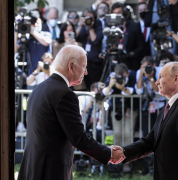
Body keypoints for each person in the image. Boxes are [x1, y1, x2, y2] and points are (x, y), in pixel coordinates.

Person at [17, 45, 125, 180]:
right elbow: (79, 138)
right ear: (72, 66)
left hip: (32, 168)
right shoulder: (64, 94)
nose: (86, 72)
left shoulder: (39, 89)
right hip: (51, 170)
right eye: (84, 66)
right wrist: (108, 153)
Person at [114, 62, 178, 180]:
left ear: (176, 78)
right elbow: (151, 141)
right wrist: (123, 152)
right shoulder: (168, 107)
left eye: (161, 77)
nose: (157, 82)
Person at [102, 63, 137, 172]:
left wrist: (122, 88)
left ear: (127, 73)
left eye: (123, 75)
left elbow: (134, 91)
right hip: (116, 109)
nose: (121, 77)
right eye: (119, 75)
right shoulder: (112, 77)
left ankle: (127, 162)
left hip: (130, 108)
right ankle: (116, 162)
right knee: (117, 133)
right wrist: (111, 85)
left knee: (128, 134)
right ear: (116, 74)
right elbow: (104, 94)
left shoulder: (132, 76)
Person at [14, 10, 52, 76]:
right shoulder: (27, 38)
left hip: (46, 73)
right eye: (33, 23)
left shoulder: (45, 33)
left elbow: (46, 42)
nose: (35, 25)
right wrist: (16, 32)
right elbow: (15, 50)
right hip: (32, 75)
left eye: (37, 22)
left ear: (41, 22)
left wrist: (31, 30)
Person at [76, 7, 104, 90]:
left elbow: (95, 40)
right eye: (87, 17)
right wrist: (81, 25)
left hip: (94, 64)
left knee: (94, 86)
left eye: (91, 18)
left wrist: (90, 27)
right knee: (82, 86)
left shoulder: (98, 28)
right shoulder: (81, 27)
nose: (88, 20)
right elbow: (75, 37)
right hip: (82, 64)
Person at [111, 2, 144, 71]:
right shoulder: (111, 28)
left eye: (119, 12)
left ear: (124, 12)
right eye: (115, 13)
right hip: (117, 64)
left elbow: (141, 46)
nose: (117, 15)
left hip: (132, 64)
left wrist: (132, 53)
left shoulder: (134, 26)